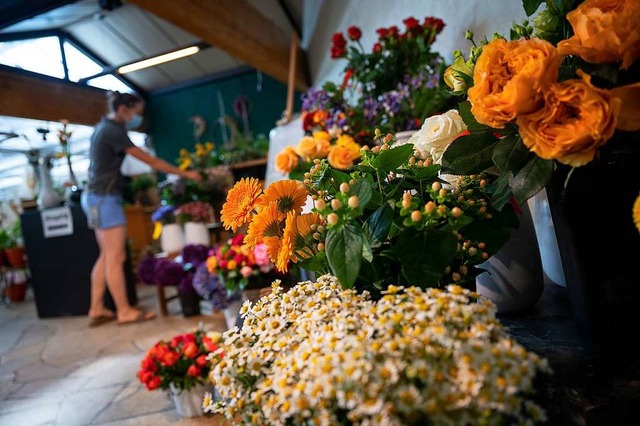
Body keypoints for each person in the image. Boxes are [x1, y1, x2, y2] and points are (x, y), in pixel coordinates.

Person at [81, 91, 201, 326]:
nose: (137, 118)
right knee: (116, 256)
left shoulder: (102, 127)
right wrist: (185, 173)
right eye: (136, 112)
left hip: (95, 196)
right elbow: (152, 161)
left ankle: (96, 308)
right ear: (125, 109)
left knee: (106, 255)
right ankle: (124, 311)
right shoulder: (113, 130)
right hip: (105, 198)